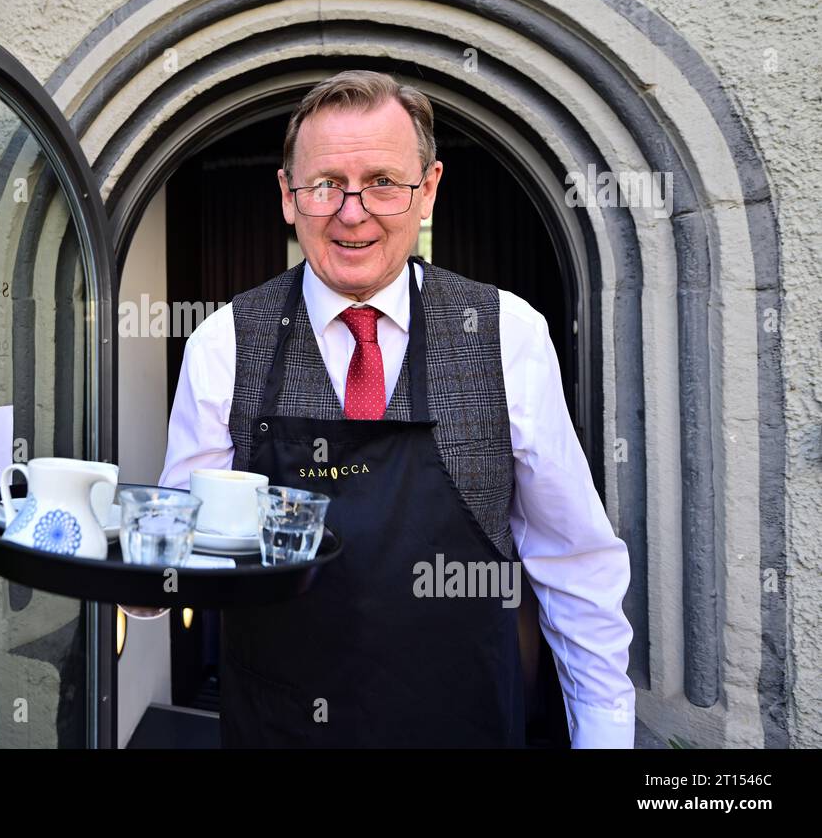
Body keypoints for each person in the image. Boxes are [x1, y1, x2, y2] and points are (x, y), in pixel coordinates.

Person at [159, 69, 635, 748]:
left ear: (429, 189)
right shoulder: (223, 342)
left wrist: (605, 734)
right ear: (289, 197)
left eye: (383, 181)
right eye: (325, 185)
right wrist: (149, 582)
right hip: (279, 729)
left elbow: (573, 559)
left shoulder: (508, 333)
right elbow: (186, 542)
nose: (353, 213)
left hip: (464, 725)